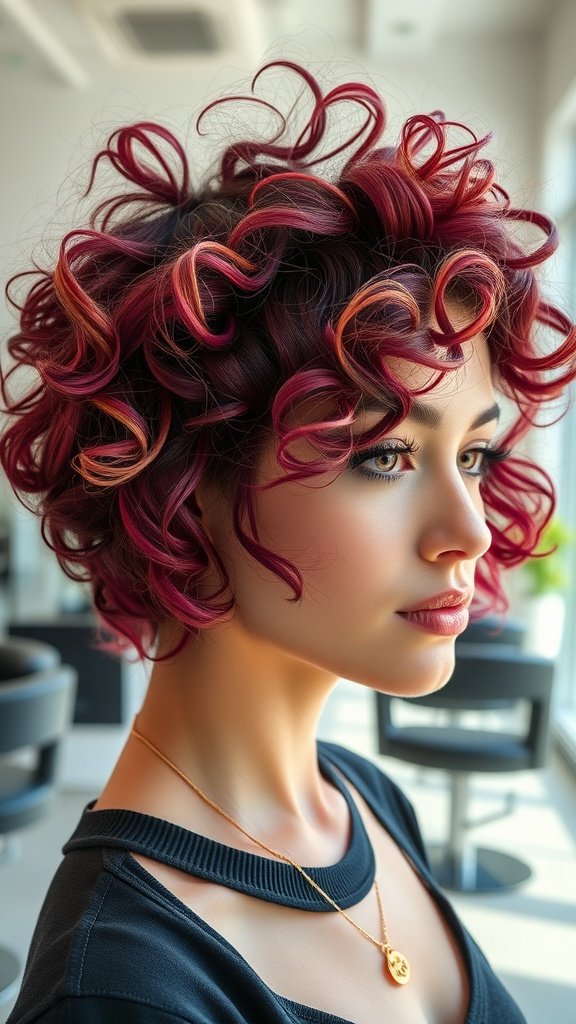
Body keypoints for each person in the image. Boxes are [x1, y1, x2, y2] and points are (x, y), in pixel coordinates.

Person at [2, 61, 575, 1024]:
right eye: (385, 457)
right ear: (184, 481)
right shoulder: (124, 993)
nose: (467, 531)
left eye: (473, 456)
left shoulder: (364, 799)